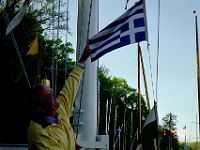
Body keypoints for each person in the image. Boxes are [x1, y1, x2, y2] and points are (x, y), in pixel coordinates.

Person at [27, 43, 91, 150]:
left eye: (51, 92)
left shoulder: (59, 111)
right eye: (49, 95)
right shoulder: (40, 134)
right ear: (41, 108)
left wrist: (83, 60)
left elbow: (70, 86)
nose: (53, 96)